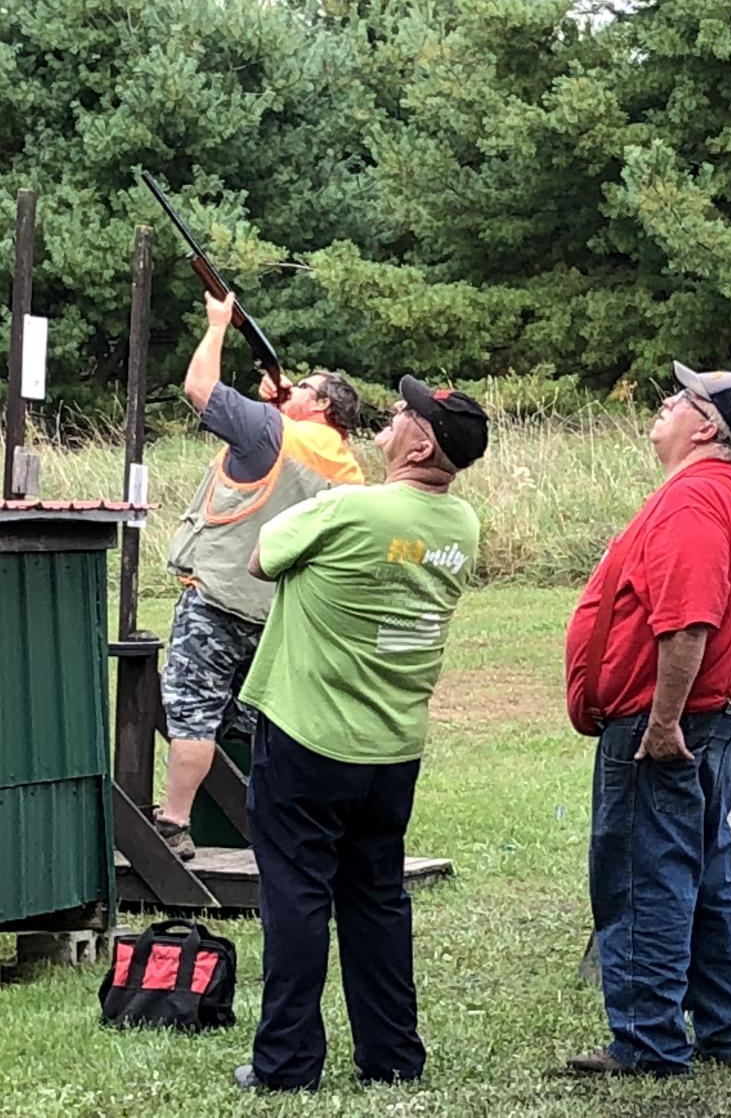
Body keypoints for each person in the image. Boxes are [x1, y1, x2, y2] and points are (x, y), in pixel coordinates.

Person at [231, 377, 489, 1091]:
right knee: (376, 899)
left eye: (410, 412)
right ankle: (392, 1057)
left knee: (297, 895)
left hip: (308, 734)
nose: (397, 413)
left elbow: (260, 558)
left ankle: (286, 1065)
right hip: (393, 743)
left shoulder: (347, 508)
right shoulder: (460, 525)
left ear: (422, 442)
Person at [563, 361, 731, 1077]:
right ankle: (725, 1026)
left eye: (680, 399)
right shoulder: (727, 496)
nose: (662, 403)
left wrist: (661, 722)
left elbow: (687, 622)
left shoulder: (692, 501)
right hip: (715, 714)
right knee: (706, 871)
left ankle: (648, 1042)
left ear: (707, 425)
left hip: (671, 721)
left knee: (640, 876)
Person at [154, 292, 364, 859]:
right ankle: (286, 821)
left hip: (218, 597)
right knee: (260, 722)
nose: (291, 390)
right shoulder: (348, 469)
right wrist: (278, 405)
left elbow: (200, 388)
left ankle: (173, 823)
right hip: (275, 612)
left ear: (322, 408)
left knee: (192, 713)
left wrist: (218, 325)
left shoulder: (274, 432)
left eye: (306, 389)